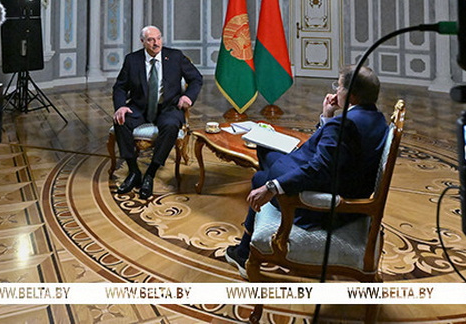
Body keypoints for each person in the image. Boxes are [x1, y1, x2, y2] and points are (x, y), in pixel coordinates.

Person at [225, 65, 388, 277]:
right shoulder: (377, 119)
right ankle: (247, 242)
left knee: (260, 178)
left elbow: (320, 168)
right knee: (267, 152)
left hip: (323, 206)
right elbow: (335, 153)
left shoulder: (344, 124)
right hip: (347, 186)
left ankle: (244, 253)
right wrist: (327, 116)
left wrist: (272, 187)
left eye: (339, 86)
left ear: (352, 95)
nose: (336, 91)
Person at [112, 25, 203, 199]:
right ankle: (133, 171)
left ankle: (150, 173)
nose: (156, 43)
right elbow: (120, 87)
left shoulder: (175, 57)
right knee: (120, 121)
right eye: (151, 40)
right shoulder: (132, 60)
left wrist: (188, 97)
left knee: (171, 126)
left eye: (159, 38)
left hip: (168, 107)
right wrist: (120, 106)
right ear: (142, 41)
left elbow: (196, 79)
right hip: (140, 107)